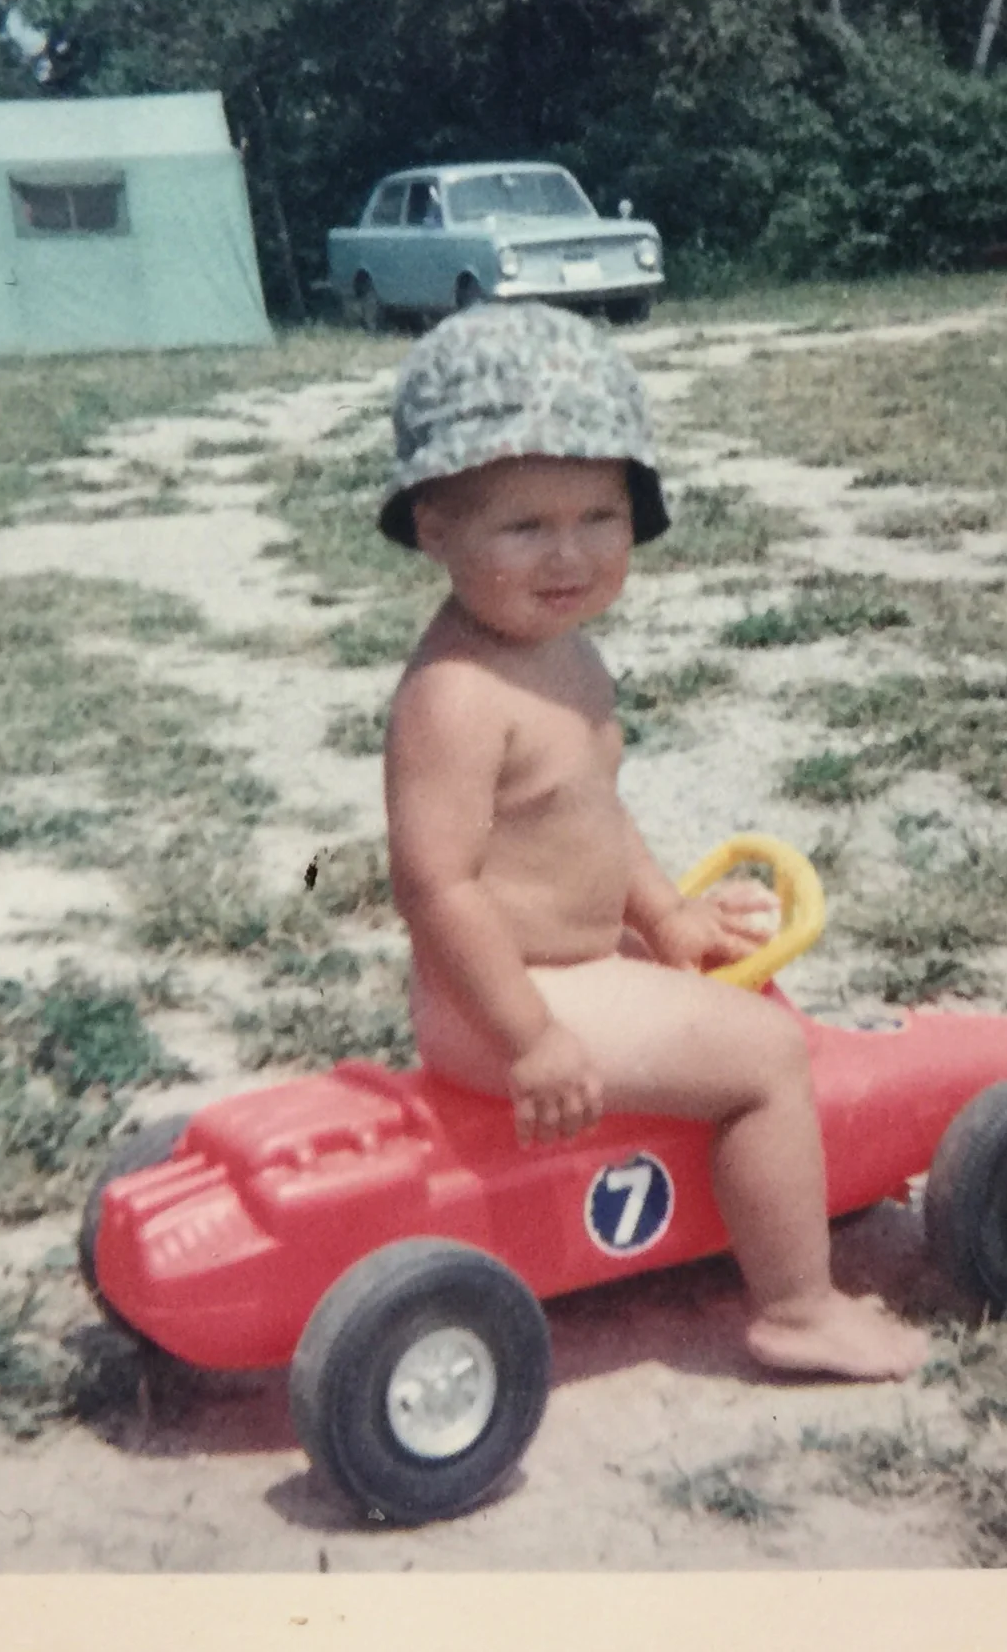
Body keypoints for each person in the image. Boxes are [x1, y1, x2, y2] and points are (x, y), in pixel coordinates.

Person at [378, 300, 926, 1380]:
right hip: (505, 998)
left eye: (601, 514)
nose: (569, 553)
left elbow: (589, 808)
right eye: (524, 526)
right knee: (767, 1055)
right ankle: (799, 1307)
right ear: (434, 529)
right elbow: (435, 886)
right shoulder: (456, 694)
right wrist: (530, 1036)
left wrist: (663, 912)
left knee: (716, 992)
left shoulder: (562, 653)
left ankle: (715, 1195)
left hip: (561, 969)